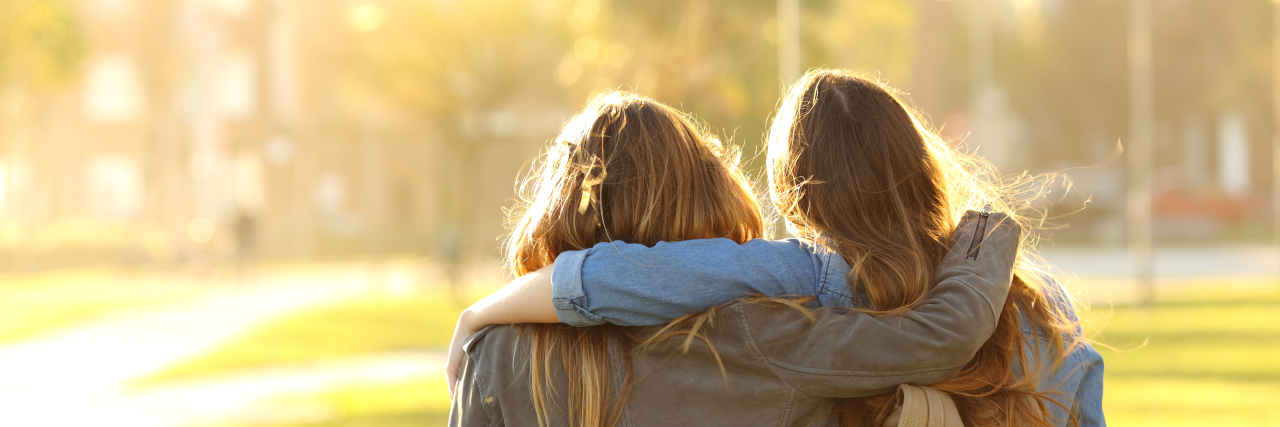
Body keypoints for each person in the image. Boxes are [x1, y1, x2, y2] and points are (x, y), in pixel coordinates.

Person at [447, 90, 1031, 426]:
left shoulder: (497, 359)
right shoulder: (767, 328)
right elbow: (939, 338)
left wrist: (478, 317)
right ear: (708, 193)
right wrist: (985, 235)